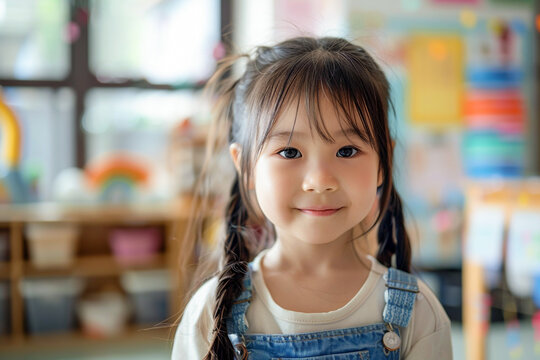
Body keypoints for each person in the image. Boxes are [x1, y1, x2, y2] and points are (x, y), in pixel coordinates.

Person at [172, 36, 452, 360]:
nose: (320, 182)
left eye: (347, 151)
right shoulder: (212, 313)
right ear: (246, 166)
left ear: (383, 162)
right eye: (289, 151)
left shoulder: (419, 315)